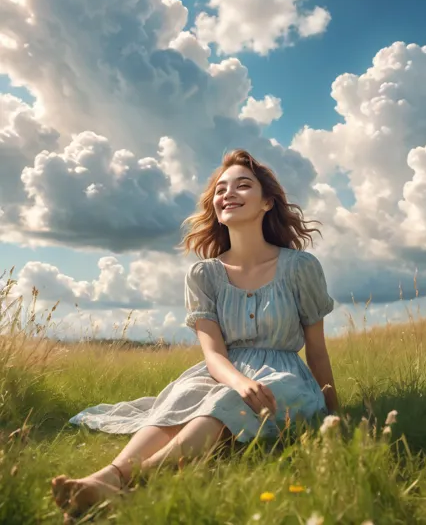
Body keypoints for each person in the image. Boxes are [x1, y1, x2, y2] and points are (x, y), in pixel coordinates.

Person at [51, 148, 339, 521]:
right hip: (223, 371)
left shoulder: (300, 267)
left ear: (268, 202)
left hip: (284, 377)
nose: (228, 194)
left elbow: (316, 350)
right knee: (185, 397)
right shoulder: (204, 274)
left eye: (242, 185)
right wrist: (238, 381)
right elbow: (213, 353)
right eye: (220, 189)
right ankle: (105, 477)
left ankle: (133, 483)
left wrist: (335, 414)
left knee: (219, 406)